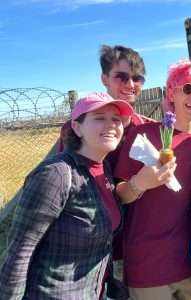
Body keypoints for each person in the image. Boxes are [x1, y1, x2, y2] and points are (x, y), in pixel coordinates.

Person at [0, 92, 134, 299]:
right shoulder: (56, 174)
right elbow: (20, 251)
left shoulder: (104, 170)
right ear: (77, 127)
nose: (111, 125)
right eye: (99, 118)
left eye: (116, 120)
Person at [113, 59, 191, 300]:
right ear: (172, 93)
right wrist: (140, 183)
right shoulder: (144, 136)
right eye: (188, 88)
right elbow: (119, 195)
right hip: (148, 264)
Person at [57, 45, 152, 169]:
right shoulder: (75, 129)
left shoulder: (147, 129)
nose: (130, 84)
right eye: (121, 77)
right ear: (104, 79)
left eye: (137, 78)